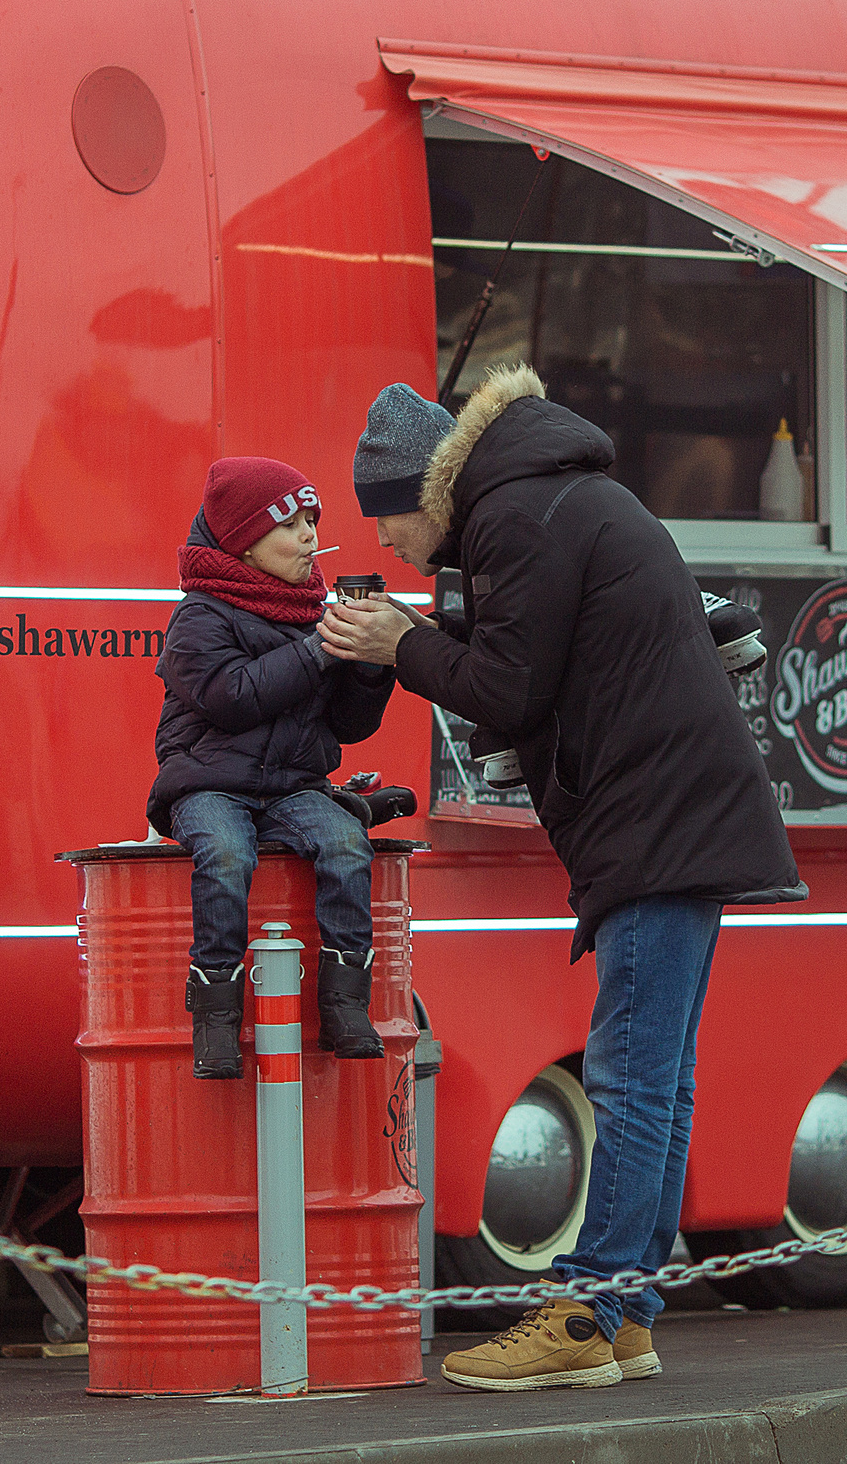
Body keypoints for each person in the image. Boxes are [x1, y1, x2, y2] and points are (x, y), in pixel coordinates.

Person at [324, 366, 805, 1392]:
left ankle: (587, 1311)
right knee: (656, 1082)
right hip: (675, 815)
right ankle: (623, 1311)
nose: (391, 550)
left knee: (628, 1078)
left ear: (425, 493)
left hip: (655, 822)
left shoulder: (515, 516)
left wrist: (399, 642)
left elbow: (507, 683)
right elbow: (534, 662)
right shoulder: (549, 493)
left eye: (390, 524)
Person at [149, 457, 396, 1080]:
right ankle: (216, 1019)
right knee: (227, 856)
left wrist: (372, 661)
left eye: (313, 520)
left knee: (347, 842)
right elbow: (234, 698)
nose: (311, 537)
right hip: (207, 781)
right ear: (244, 543)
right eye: (291, 525)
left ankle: (344, 1008)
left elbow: (347, 727)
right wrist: (320, 649)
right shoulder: (198, 616)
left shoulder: (314, 612)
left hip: (292, 785)